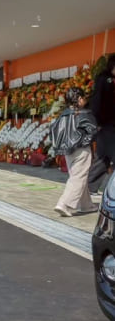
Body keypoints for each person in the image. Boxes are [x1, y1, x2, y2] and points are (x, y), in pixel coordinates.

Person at [51, 87, 98, 217]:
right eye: (84, 97)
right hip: (81, 149)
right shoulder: (85, 114)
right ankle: (64, 204)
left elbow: (54, 130)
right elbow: (93, 131)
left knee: (78, 176)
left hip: (68, 151)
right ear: (80, 99)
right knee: (78, 177)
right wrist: (84, 142)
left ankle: (86, 205)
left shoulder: (63, 115)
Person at [87, 54, 115, 195]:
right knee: (105, 155)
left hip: (111, 124)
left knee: (103, 157)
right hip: (105, 124)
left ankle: (90, 187)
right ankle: (90, 187)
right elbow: (97, 102)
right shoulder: (104, 79)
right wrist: (97, 122)